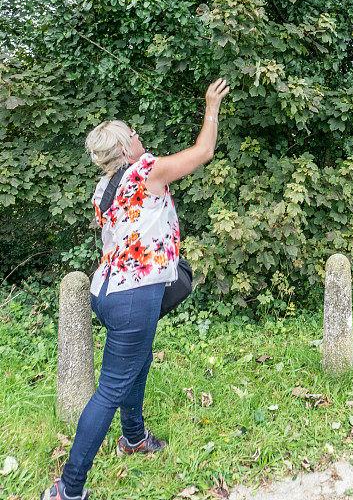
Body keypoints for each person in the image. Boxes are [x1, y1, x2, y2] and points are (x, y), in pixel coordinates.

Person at [41, 78, 230, 500]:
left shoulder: (105, 186)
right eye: (134, 135)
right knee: (110, 388)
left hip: (108, 293)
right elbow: (203, 153)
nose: (140, 138)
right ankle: (68, 489)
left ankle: (134, 437)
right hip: (132, 298)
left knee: (138, 360)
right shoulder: (144, 171)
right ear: (127, 148)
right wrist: (211, 107)